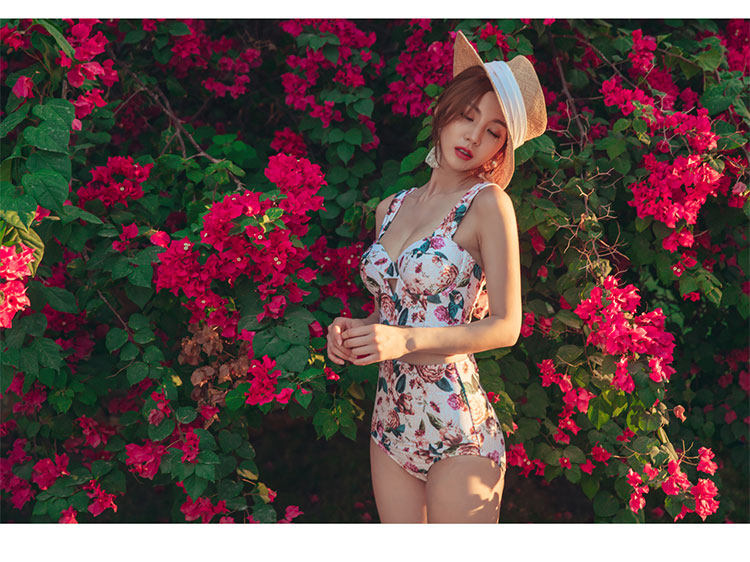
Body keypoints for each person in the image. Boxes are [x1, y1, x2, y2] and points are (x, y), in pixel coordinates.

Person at [326, 30, 547, 523]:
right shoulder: (391, 207)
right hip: (391, 424)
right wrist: (354, 331)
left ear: (500, 148)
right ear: (444, 112)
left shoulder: (488, 205)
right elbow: (392, 314)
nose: (473, 136)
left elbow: (506, 327)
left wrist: (402, 341)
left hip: (457, 430)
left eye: (492, 131)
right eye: (468, 116)